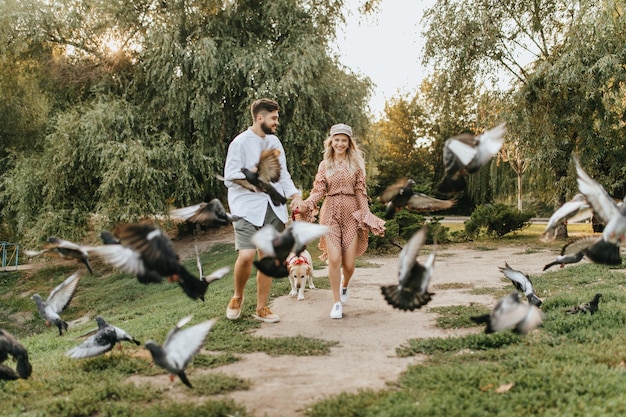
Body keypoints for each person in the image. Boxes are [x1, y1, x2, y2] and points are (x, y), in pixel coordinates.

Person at [292, 123, 385, 319]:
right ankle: (336, 303)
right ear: (331, 142)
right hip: (330, 213)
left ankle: (344, 284)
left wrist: (366, 214)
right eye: (337, 140)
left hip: (351, 213)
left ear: (349, 143)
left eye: (344, 140)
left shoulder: (356, 165)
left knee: (349, 265)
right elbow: (318, 191)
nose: (340, 143)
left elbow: (361, 192)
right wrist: (306, 204)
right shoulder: (324, 165)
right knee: (334, 259)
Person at [223, 98, 302, 323]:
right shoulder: (239, 143)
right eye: (274, 118)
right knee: (247, 256)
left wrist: (295, 195)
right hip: (246, 208)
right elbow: (230, 177)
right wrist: (254, 179)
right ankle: (237, 296)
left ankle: (261, 308)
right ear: (260, 118)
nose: (277, 122)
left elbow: (283, 175)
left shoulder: (275, 142)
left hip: (272, 209)